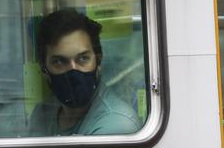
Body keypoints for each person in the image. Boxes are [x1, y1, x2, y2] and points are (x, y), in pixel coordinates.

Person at [29, 8, 141, 136]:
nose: (73, 70)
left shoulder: (116, 123)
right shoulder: (42, 114)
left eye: (83, 59)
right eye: (60, 62)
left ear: (98, 62)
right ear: (44, 69)